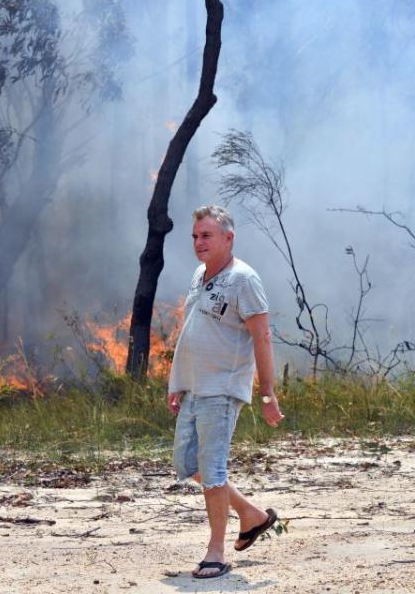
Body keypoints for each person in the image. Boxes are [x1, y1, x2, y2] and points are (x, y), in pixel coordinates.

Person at [167, 205, 285, 579]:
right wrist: (177, 383)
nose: (199, 243)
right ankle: (251, 515)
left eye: (207, 235)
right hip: (194, 388)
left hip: (222, 388)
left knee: (213, 471)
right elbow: (192, 334)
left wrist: (267, 393)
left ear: (228, 238)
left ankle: (215, 553)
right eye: (195, 236)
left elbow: (262, 336)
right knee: (189, 465)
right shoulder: (199, 275)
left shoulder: (244, 279)